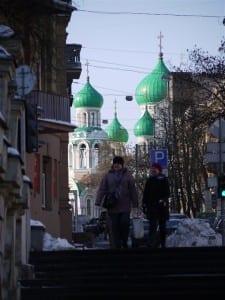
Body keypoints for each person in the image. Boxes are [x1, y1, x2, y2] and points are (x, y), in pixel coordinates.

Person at [95, 156, 138, 249]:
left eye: (118, 164)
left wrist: (135, 204)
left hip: (125, 205)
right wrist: (98, 201)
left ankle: (124, 241)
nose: (117, 165)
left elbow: (133, 190)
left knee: (124, 223)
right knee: (114, 226)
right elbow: (102, 189)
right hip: (112, 206)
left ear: (122, 165)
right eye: (115, 164)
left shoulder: (128, 175)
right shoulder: (108, 175)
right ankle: (117, 244)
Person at [142, 162, 170, 248]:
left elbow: (167, 193)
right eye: (152, 168)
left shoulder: (164, 179)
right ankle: (151, 242)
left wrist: (163, 200)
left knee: (162, 225)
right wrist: (144, 204)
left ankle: (162, 242)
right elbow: (146, 193)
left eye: (155, 169)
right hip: (151, 206)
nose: (153, 170)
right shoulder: (149, 180)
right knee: (152, 225)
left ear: (159, 170)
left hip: (161, 206)